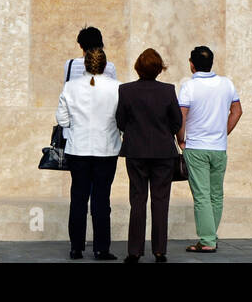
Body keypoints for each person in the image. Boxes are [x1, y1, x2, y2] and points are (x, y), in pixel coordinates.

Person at [115, 48, 182, 263]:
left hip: (136, 150)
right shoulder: (168, 90)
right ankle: (160, 251)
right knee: (161, 201)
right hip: (163, 151)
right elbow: (177, 122)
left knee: (138, 200)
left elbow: (120, 121)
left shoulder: (126, 90)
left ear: (137, 68)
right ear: (158, 69)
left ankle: (134, 251)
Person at [55, 47, 122, 260]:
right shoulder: (117, 87)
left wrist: (76, 126)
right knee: (102, 199)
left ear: (85, 64)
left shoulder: (70, 86)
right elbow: (122, 119)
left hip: (78, 148)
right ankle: (101, 248)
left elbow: (62, 119)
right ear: (105, 65)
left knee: (78, 198)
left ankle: (76, 247)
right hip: (106, 149)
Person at [176, 46, 241, 253]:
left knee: (202, 195)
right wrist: (223, 132)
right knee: (216, 194)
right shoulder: (227, 83)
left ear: (191, 64)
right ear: (211, 63)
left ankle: (206, 240)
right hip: (218, 148)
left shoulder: (188, 86)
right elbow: (237, 111)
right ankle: (211, 235)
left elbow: (181, 116)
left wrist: (181, 140)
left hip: (196, 147)